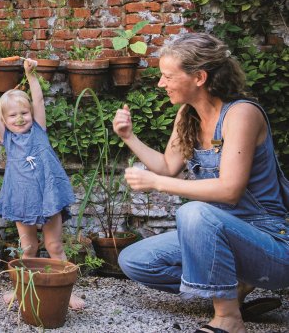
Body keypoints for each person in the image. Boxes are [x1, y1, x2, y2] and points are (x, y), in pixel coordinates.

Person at [112, 33, 289, 333]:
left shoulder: (241, 114)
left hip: (271, 242)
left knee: (193, 213)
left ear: (199, 77)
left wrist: (156, 183)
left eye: (168, 76)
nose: (160, 83)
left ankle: (228, 319)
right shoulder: (188, 114)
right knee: (135, 260)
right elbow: (168, 166)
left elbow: (229, 190)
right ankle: (233, 289)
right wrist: (129, 137)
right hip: (218, 234)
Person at [0, 58, 85, 310]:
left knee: (54, 246)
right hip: (23, 199)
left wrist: (31, 75)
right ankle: (20, 290)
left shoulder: (39, 129)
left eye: (23, 113)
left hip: (48, 196)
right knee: (28, 248)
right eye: (13, 115)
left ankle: (66, 292)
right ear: (5, 121)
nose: (19, 119)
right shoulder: (6, 138)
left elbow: (38, 100)